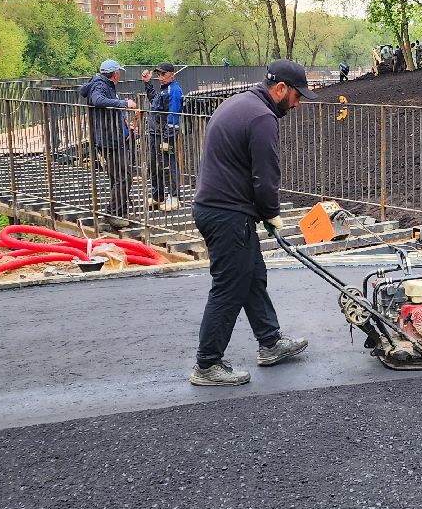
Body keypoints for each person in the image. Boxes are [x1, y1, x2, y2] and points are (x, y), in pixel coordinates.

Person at [189, 59, 316, 387]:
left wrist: (259, 212)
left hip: (221, 208)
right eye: (297, 97)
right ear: (280, 89)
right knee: (230, 286)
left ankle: (270, 342)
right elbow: (265, 176)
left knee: (252, 276)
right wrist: (271, 213)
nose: (299, 104)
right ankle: (207, 363)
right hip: (226, 213)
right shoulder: (262, 117)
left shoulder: (241, 103)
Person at [78, 59, 136, 220]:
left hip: (112, 137)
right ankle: (114, 212)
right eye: (119, 73)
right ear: (115, 74)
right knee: (123, 177)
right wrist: (124, 103)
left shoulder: (105, 84)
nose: (120, 76)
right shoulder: (100, 84)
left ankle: (119, 210)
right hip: (109, 139)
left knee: (119, 177)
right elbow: (98, 100)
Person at [142, 62, 184, 211]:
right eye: (158, 75)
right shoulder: (164, 89)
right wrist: (148, 84)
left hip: (165, 135)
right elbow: (154, 102)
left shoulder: (174, 91)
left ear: (172, 75)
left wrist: (168, 139)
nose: (160, 78)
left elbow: (173, 116)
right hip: (155, 133)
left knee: (169, 165)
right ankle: (158, 195)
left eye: (163, 75)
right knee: (155, 165)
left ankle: (174, 197)